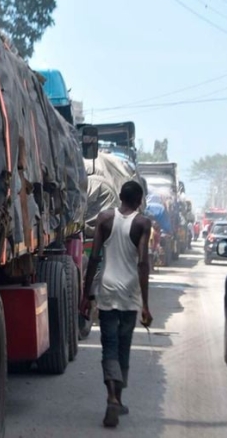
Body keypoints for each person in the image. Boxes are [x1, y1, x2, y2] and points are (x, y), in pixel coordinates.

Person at [82, 180, 152, 428]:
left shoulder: (104, 218)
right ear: (139, 200)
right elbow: (143, 263)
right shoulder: (143, 223)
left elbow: (95, 258)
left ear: (120, 196)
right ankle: (118, 399)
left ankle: (111, 397)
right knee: (123, 347)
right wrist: (145, 304)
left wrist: (86, 293)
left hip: (108, 291)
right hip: (130, 293)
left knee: (108, 347)